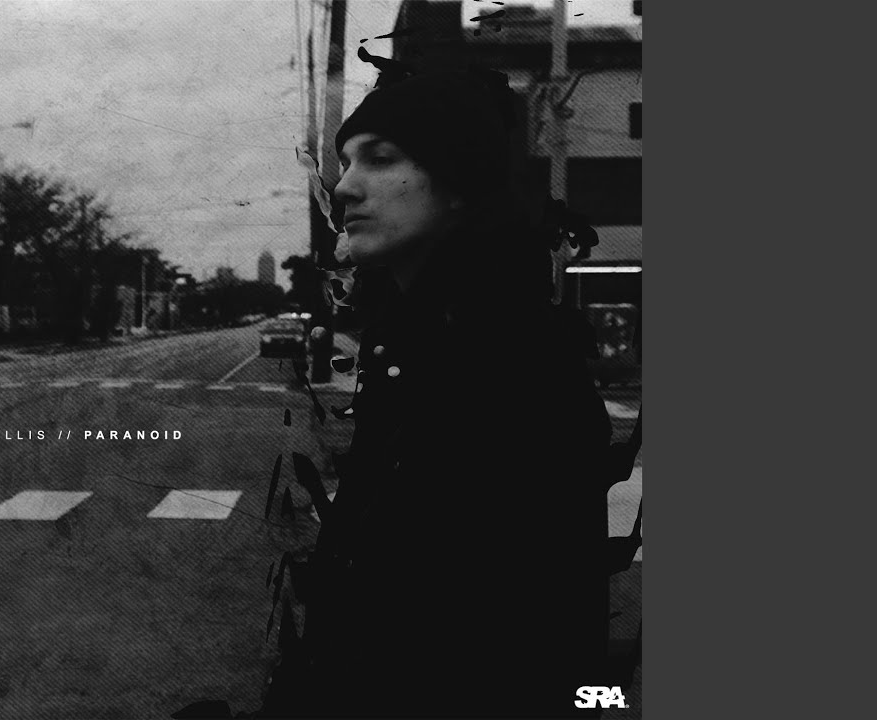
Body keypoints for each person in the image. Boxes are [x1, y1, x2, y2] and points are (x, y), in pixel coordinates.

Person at [259, 69, 616, 719]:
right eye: (346, 162)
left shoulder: (509, 358)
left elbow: (549, 635)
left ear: (459, 184)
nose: (345, 186)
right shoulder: (417, 341)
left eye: (380, 159)